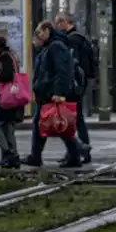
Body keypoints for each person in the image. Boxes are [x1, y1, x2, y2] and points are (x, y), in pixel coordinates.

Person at [23, 22, 87, 168]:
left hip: (51, 93)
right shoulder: (49, 47)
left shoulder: (56, 46)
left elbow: (62, 71)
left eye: (39, 32)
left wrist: (59, 93)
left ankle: (76, 150)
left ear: (47, 31)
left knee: (52, 124)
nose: (37, 36)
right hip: (46, 93)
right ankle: (75, 153)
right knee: (50, 124)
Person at [54, 12, 94, 162]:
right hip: (81, 82)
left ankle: (80, 150)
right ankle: (77, 150)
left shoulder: (72, 40)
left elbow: (72, 63)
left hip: (75, 84)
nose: (58, 27)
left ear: (64, 22)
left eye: (58, 23)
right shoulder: (80, 37)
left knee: (75, 119)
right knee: (76, 118)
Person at [0, 35, 23, 168]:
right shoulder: (10, 55)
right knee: (8, 127)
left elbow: (7, 75)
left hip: (5, 98)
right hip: (12, 96)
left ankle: (7, 154)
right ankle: (13, 157)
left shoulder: (4, 57)